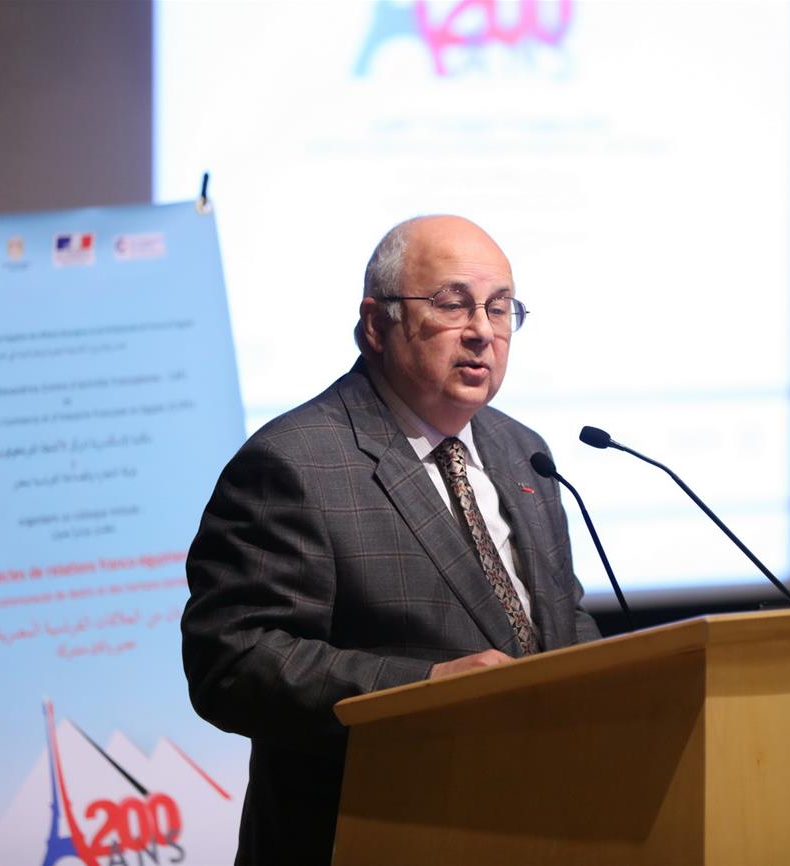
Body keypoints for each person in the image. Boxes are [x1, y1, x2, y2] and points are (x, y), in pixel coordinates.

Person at [181, 215, 602, 866]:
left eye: (499, 308)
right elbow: (233, 664)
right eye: (453, 305)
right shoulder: (294, 462)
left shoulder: (523, 451)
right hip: (365, 833)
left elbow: (561, 618)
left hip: (533, 826)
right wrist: (424, 690)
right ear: (377, 325)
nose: (483, 332)